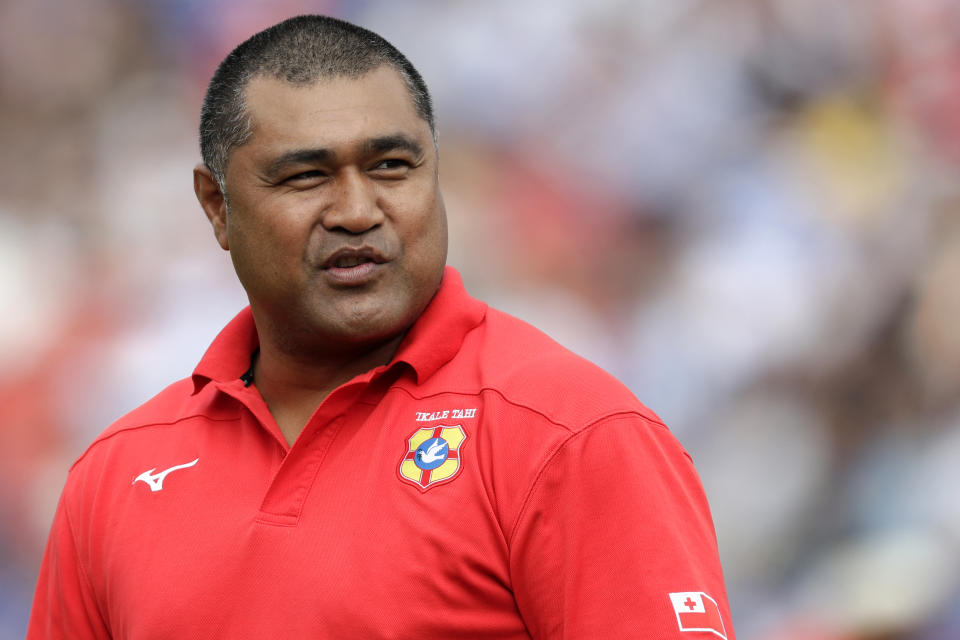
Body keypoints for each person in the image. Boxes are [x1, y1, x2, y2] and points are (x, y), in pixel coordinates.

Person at [27, 14, 735, 640]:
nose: (358, 210)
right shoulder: (115, 476)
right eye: (306, 177)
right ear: (216, 206)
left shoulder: (572, 434)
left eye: (392, 166)